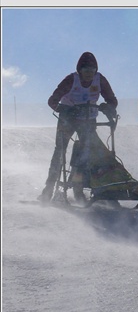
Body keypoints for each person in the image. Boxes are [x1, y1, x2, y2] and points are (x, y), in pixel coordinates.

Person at [38, 51, 118, 205]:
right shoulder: (71, 80)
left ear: (96, 71)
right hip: (67, 120)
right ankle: (48, 189)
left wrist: (108, 107)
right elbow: (52, 100)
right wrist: (62, 108)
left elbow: (112, 100)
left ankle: (80, 187)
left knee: (87, 153)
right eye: (86, 70)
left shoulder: (100, 80)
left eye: (92, 71)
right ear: (79, 70)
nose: (89, 74)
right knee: (60, 151)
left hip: (88, 120)